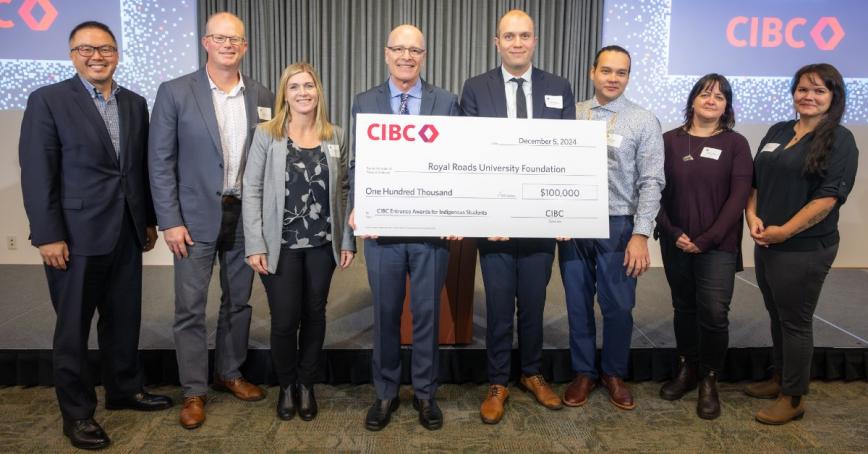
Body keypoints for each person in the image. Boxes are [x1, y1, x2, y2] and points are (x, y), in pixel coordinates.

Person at [18, 20, 172, 449]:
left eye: (105, 48)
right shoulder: (48, 101)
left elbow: (138, 169)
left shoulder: (135, 103)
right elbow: (37, 173)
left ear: (117, 53)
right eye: (86, 49)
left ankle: (124, 389)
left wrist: (148, 220)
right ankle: (78, 414)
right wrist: (47, 235)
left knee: (124, 320)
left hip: (125, 231)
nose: (97, 56)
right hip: (73, 237)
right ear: (72, 55)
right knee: (72, 329)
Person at [149, 12, 274, 429]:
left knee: (238, 303)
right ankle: (193, 391)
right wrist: (169, 220)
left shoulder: (263, 95)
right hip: (193, 219)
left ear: (245, 47)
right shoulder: (174, 92)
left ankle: (230, 372)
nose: (227, 45)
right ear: (205, 42)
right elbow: (160, 161)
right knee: (189, 308)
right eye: (219, 38)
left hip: (245, 219)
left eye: (235, 39)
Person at [460, 9, 575, 424]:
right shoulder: (475, 89)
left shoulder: (559, 87)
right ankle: (497, 381)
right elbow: (469, 153)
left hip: (542, 218)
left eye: (524, 35)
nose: (517, 43)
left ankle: (531, 372)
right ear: (497, 42)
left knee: (534, 301)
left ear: (535, 41)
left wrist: (566, 212)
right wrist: (483, 215)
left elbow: (567, 154)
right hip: (495, 223)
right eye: (509, 36)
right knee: (497, 304)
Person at [347, 24, 459, 431]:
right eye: (399, 49)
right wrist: (359, 206)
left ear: (424, 56)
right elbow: (358, 163)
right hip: (383, 232)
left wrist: (455, 211)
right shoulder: (365, 101)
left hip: (431, 231)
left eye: (414, 50)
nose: (406, 56)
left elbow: (455, 161)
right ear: (386, 53)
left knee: (428, 313)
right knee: (386, 313)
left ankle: (426, 394)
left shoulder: (446, 102)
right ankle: (386, 392)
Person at [744, 63, 858, 425]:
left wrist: (784, 231)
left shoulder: (840, 140)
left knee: (795, 321)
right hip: (767, 241)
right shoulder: (779, 130)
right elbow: (755, 180)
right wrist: (752, 217)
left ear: (833, 97)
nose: (809, 96)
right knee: (777, 314)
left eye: (819, 90)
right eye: (802, 89)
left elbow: (827, 200)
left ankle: (793, 398)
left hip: (805, 246)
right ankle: (781, 378)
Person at [243, 62, 355, 422]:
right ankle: (287, 385)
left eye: (309, 86)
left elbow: (342, 191)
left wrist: (347, 240)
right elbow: (252, 190)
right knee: (284, 320)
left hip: (323, 243)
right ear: (284, 94)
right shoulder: (267, 134)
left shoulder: (334, 135)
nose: (303, 92)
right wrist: (255, 244)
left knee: (315, 314)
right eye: (295, 87)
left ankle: (306, 385)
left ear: (318, 91)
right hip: (281, 245)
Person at [560, 45, 664, 411]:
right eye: (606, 71)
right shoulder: (572, 116)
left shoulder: (643, 120)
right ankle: (584, 372)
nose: (613, 78)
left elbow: (652, 181)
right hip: (573, 226)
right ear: (592, 73)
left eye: (621, 72)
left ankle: (614, 373)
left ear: (628, 77)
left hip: (619, 225)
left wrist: (641, 234)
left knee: (619, 306)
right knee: (576, 304)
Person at [654, 74, 753, 419]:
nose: (712, 100)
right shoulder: (668, 141)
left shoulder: (736, 144)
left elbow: (739, 196)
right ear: (693, 99)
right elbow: (655, 192)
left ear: (727, 106)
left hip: (718, 246)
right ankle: (688, 368)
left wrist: (706, 239)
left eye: (720, 97)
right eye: (706, 94)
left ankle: (709, 378)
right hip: (675, 241)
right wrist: (673, 231)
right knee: (684, 308)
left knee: (713, 313)